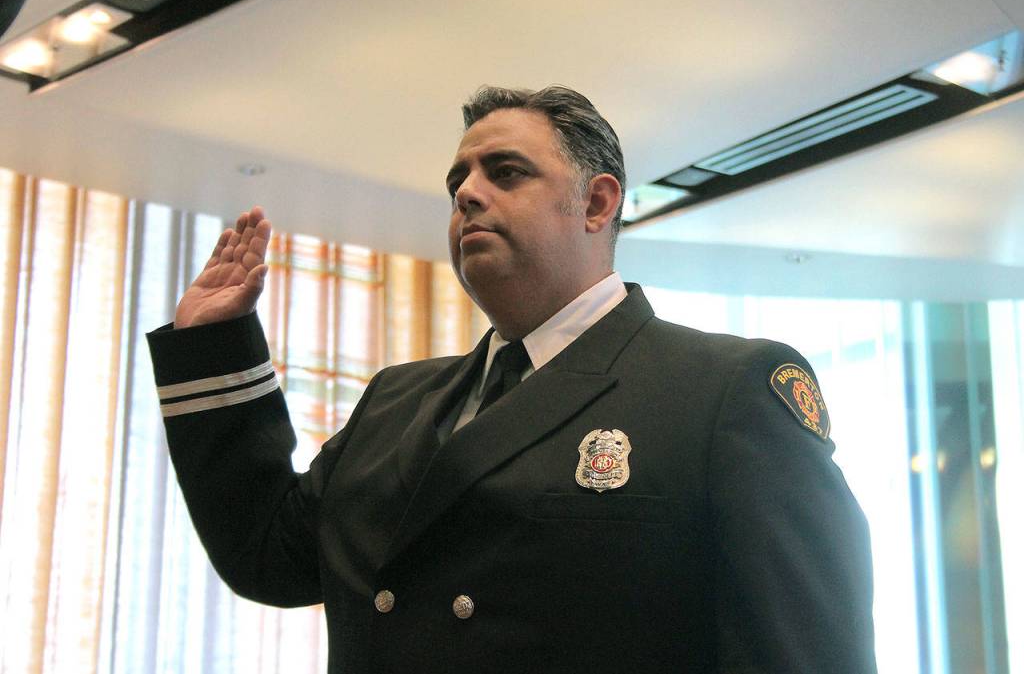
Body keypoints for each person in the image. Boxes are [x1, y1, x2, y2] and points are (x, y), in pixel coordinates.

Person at [147, 86, 877, 673]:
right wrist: (213, 344)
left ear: (596, 203)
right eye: (457, 179)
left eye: (506, 172)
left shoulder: (724, 390)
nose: (466, 193)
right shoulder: (396, 400)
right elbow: (267, 554)